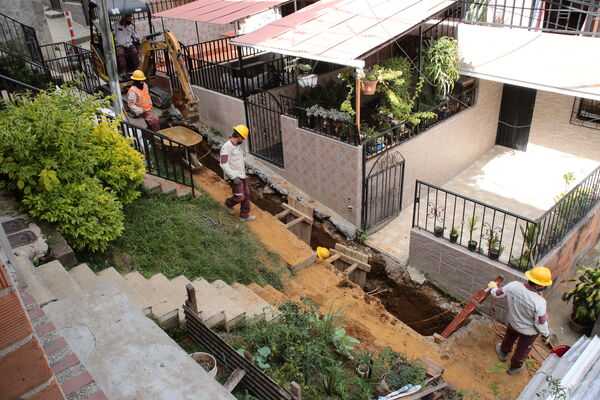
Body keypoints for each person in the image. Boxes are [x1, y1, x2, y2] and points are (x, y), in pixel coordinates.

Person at [488, 266, 554, 375]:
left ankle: (503, 352)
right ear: (538, 285)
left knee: (509, 338)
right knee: (522, 350)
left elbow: (497, 294)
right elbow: (541, 323)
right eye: (544, 285)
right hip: (528, 333)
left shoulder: (513, 286)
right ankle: (515, 367)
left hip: (513, 324)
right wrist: (546, 334)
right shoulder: (540, 302)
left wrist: (493, 287)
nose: (546, 286)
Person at [220, 125, 255, 222]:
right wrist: (233, 177)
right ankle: (228, 203)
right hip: (234, 177)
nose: (243, 140)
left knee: (246, 195)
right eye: (243, 138)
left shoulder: (236, 146)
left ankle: (244, 216)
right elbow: (223, 164)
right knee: (240, 197)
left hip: (241, 175)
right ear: (240, 137)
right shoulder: (227, 147)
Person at [113, 14, 140, 78]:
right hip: (119, 44)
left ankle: (137, 68)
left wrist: (137, 37)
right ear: (124, 18)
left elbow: (133, 33)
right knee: (121, 54)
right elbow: (112, 33)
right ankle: (123, 71)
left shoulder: (130, 26)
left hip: (128, 43)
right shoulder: (116, 25)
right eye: (128, 19)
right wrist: (114, 40)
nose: (129, 21)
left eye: (130, 19)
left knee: (135, 52)